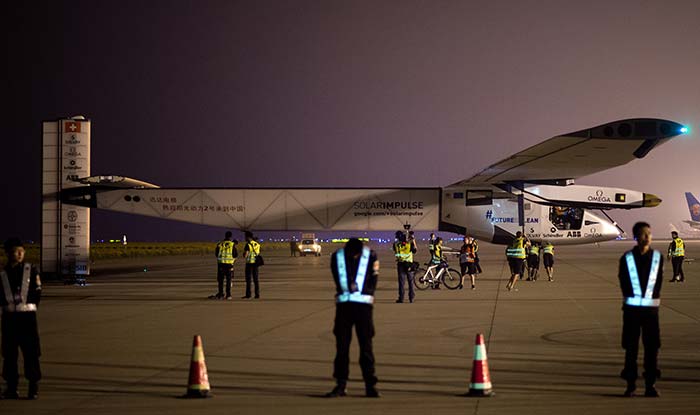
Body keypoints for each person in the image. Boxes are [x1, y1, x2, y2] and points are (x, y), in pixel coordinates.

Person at [325, 238, 380, 398]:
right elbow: (337, 276)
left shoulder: (371, 256)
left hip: (363, 309)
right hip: (345, 308)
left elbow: (373, 280)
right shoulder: (338, 256)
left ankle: (370, 385)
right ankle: (341, 384)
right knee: (342, 349)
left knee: (366, 349)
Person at [618, 222, 663, 397]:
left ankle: (650, 385)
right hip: (631, 312)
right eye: (644, 234)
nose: (647, 237)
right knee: (631, 349)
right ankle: (630, 384)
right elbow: (623, 281)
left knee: (652, 350)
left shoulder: (658, 258)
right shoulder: (627, 258)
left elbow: (658, 282)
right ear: (636, 236)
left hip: (651, 313)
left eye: (649, 234)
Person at [1, 238, 42, 400]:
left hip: (27, 319)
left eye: (20, 251)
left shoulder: (31, 270)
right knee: (9, 355)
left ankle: (33, 387)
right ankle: (12, 387)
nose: (18, 254)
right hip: (9, 318)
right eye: (14, 252)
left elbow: (37, 292)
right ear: (7, 253)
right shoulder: (3, 273)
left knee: (31, 354)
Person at [209, 232, 238, 300]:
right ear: (230, 237)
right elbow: (235, 255)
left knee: (221, 280)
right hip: (229, 265)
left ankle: (221, 294)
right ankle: (228, 295)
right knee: (228, 280)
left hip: (221, 265)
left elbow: (216, 254)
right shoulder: (232, 244)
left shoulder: (219, 244)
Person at [393, 230, 416, 303]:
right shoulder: (409, 244)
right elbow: (415, 250)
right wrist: (413, 241)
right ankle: (411, 298)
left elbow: (395, 251)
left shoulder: (395, 244)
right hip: (409, 264)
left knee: (401, 283)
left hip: (401, 265)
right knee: (411, 282)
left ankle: (401, 298)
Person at [242, 231, 261, 299]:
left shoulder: (248, 245)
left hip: (249, 263)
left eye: (245, 236)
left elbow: (245, 255)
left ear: (248, 237)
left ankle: (248, 294)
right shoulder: (257, 244)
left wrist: (244, 254)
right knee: (256, 280)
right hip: (255, 264)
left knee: (248, 280)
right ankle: (257, 294)